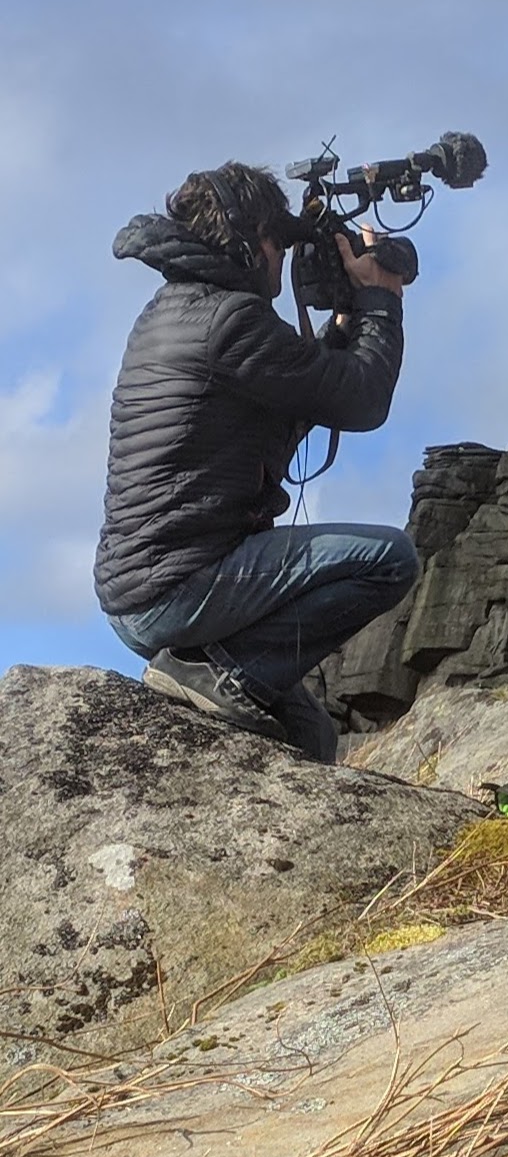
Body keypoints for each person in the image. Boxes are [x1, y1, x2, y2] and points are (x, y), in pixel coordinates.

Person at [94, 160, 419, 764]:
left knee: (310, 738)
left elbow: (289, 400)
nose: (281, 255)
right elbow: (364, 400)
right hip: (177, 587)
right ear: (247, 241)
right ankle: (229, 675)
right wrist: (381, 301)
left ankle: (219, 673)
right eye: (277, 237)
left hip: (142, 590)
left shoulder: (180, 309)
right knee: (389, 559)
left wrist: (343, 327)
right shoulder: (230, 319)